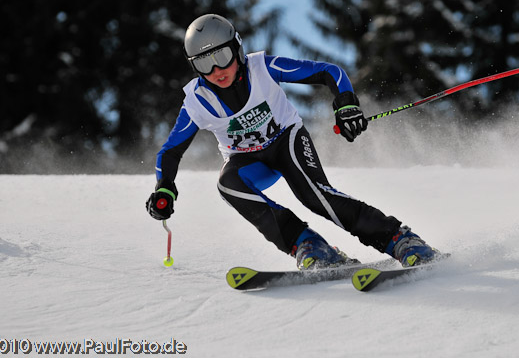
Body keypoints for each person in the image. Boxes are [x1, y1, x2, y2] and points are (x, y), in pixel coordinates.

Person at [146, 14, 439, 269]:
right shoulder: (197, 102)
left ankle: (398, 238)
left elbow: (329, 72)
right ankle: (309, 245)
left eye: (221, 57)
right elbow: (171, 151)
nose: (216, 71)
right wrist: (165, 188)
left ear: (237, 49)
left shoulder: (262, 68)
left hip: (287, 142)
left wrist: (346, 104)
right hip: (249, 162)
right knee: (227, 185)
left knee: (313, 195)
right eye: (204, 64)